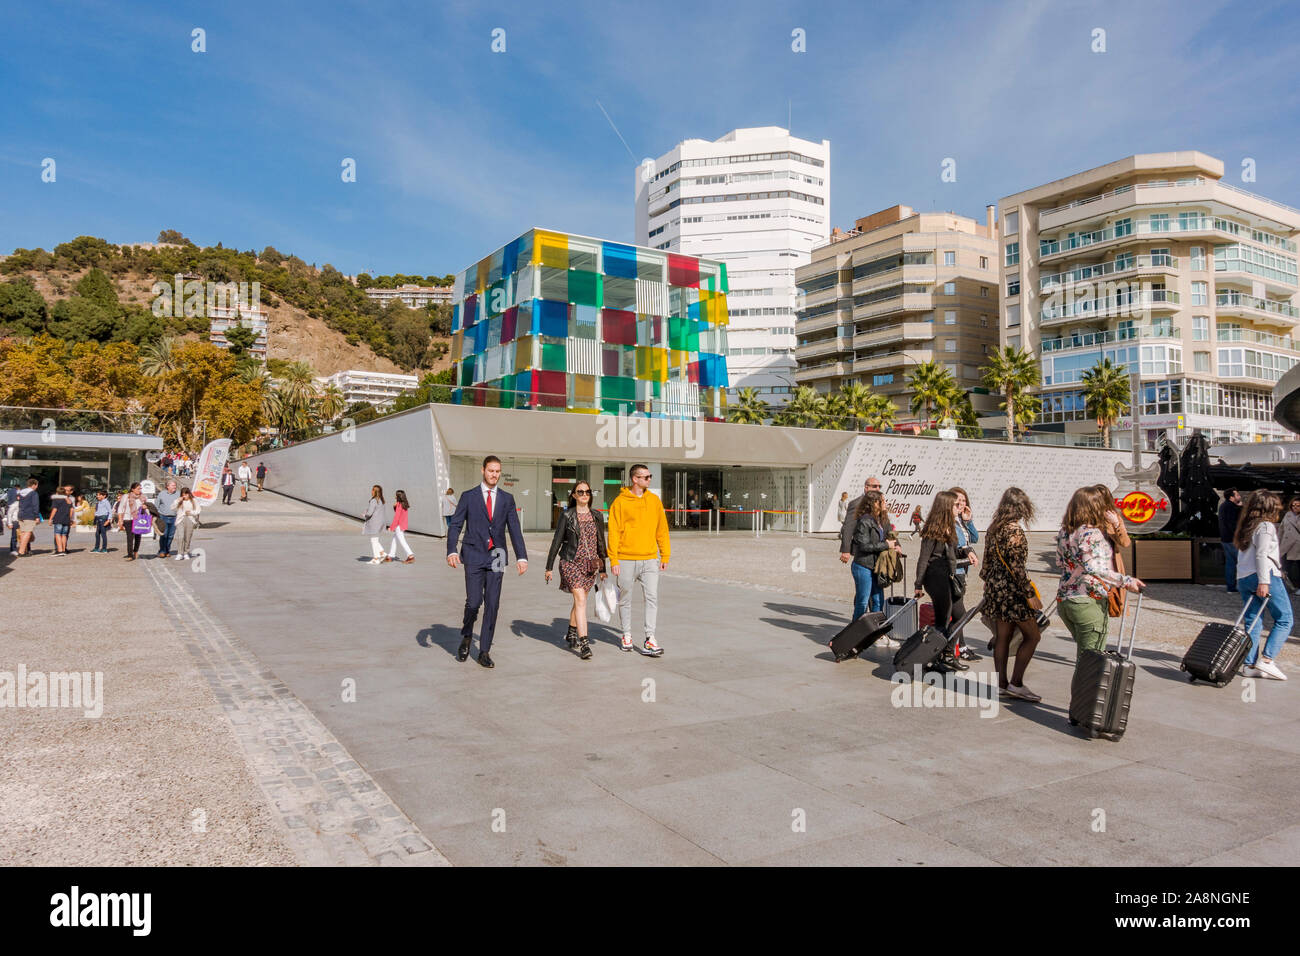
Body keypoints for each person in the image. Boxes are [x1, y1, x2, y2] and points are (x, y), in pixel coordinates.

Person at [446, 455, 528, 669]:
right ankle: (466, 635)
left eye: (498, 471)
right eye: (491, 470)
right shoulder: (468, 496)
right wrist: (451, 550)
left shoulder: (507, 499)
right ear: (483, 471)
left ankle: (484, 650)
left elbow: (515, 529)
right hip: (473, 554)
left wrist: (521, 556)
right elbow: (455, 525)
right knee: (474, 602)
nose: (494, 474)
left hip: (497, 557)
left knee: (492, 604)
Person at [1055, 487, 1143, 657]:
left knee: (1086, 659)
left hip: (1065, 600)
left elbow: (1059, 562)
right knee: (1091, 663)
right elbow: (1094, 568)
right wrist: (1127, 581)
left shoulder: (1064, 531)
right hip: (1088, 600)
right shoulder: (1092, 533)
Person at [979, 487, 1043, 701]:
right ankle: (1016, 683)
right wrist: (1029, 592)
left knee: (1003, 637)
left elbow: (986, 565)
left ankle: (1001, 684)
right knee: (1033, 636)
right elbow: (1016, 567)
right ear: (1021, 507)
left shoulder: (993, 528)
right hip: (1013, 593)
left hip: (995, 590)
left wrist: (990, 586)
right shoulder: (1014, 531)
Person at [608, 463, 670, 657]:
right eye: (646, 477)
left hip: (650, 559)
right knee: (625, 599)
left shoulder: (654, 501)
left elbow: (662, 529)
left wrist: (664, 554)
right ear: (635, 479)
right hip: (625, 559)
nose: (649, 480)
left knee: (652, 598)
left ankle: (650, 638)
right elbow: (613, 533)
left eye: (650, 476)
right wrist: (614, 560)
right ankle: (626, 634)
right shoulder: (619, 502)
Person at [913, 490, 976, 671]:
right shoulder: (934, 529)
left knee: (959, 616)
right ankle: (937, 658)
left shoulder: (950, 527)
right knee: (943, 619)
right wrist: (918, 584)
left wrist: (967, 552)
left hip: (947, 575)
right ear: (946, 507)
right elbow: (923, 558)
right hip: (935, 577)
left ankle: (947, 654)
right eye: (956, 505)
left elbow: (953, 554)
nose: (959, 507)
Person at [545, 479, 608, 661]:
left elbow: (600, 542)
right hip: (570, 562)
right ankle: (584, 644)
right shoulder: (567, 515)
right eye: (580, 492)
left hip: (590, 565)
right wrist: (549, 567)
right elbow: (556, 541)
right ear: (574, 495)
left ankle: (572, 631)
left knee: (579, 601)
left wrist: (603, 567)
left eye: (587, 492)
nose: (584, 495)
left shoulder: (597, 515)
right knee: (580, 599)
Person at [1234, 490, 1292, 681]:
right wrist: (1264, 581)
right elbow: (1262, 554)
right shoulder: (1266, 526)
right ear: (1269, 507)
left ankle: (1249, 664)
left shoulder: (1246, 525)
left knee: (1253, 620)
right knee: (1285, 619)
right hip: (1264, 575)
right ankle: (1266, 661)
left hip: (1244, 576)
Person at [839, 489, 902, 631]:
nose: (886, 503)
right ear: (875, 503)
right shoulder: (864, 521)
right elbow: (864, 546)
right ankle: (854, 634)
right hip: (863, 566)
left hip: (877, 567)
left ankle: (875, 632)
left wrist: (896, 545)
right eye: (883, 501)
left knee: (879, 600)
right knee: (862, 601)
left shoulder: (882, 519)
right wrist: (886, 545)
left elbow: (888, 535)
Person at [949, 486, 982, 661]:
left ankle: (956, 648)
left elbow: (975, 538)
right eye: (958, 501)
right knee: (959, 613)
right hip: (954, 572)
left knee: (956, 613)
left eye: (964, 500)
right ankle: (958, 648)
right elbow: (957, 547)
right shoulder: (949, 522)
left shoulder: (960, 521)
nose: (962, 504)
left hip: (962, 571)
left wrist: (968, 521)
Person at [1219, 488, 1243, 593]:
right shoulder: (1231, 507)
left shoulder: (1224, 506)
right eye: (1237, 495)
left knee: (1231, 563)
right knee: (1241, 562)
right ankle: (1238, 586)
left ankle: (1231, 586)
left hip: (1226, 538)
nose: (1239, 496)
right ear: (1231, 497)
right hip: (1232, 539)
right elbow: (1232, 524)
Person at [116, 482, 148, 561]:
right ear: (133, 489)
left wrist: (145, 507)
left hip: (138, 519)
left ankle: (135, 551)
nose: (139, 490)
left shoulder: (143, 497)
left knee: (138, 537)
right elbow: (120, 508)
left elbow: (146, 508)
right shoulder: (126, 496)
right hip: (128, 518)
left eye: (140, 488)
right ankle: (130, 554)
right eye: (138, 488)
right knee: (130, 537)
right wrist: (120, 520)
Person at [1278, 496, 1300, 592]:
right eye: (1293, 505)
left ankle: (1298, 588)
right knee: (1284, 568)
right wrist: (1278, 542)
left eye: (1298, 505)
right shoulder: (1288, 515)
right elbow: (1281, 529)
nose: (1295, 507)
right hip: (1286, 546)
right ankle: (1286, 587)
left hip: (1298, 546)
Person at [386, 489, 415, 564]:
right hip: (402, 525)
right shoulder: (404, 504)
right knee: (394, 540)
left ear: (398, 496)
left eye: (396, 495)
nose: (394, 496)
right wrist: (394, 507)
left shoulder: (399, 504)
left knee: (402, 541)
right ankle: (390, 555)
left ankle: (410, 555)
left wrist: (391, 527)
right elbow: (400, 515)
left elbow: (397, 517)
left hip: (399, 526)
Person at [15, 478, 41, 556]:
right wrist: (37, 516)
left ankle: (23, 550)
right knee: (28, 532)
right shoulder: (33, 493)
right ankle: (21, 551)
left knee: (23, 532)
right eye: (36, 485)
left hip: (21, 514)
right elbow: (35, 505)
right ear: (34, 485)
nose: (37, 487)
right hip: (29, 515)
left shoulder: (21, 493)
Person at [362, 485, 388, 564]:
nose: (371, 491)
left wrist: (365, 515)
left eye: (372, 490)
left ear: (375, 491)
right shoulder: (381, 500)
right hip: (380, 523)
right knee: (375, 540)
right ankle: (382, 553)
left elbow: (370, 513)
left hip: (374, 523)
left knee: (374, 541)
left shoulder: (373, 501)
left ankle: (376, 558)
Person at [174, 487, 202, 560]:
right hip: (180, 520)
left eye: (186, 494)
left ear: (189, 494)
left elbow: (198, 510)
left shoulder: (194, 501)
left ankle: (186, 552)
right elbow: (172, 508)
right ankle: (179, 553)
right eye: (183, 495)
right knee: (181, 536)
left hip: (190, 519)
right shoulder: (180, 501)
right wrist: (177, 501)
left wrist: (191, 512)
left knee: (188, 537)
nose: (185, 496)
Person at [156, 478, 180, 558]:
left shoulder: (178, 494)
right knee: (164, 535)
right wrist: (157, 516)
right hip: (163, 517)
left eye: (175, 485)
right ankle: (162, 551)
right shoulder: (162, 494)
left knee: (171, 536)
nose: (175, 487)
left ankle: (167, 550)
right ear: (167, 486)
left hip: (174, 518)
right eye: (173, 485)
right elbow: (157, 505)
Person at [48, 485, 75, 556]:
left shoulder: (56, 500)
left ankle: (59, 550)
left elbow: (54, 509)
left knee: (57, 534)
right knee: (64, 535)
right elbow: (72, 510)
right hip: (66, 520)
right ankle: (63, 549)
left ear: (57, 492)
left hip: (58, 519)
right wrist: (69, 518)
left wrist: (50, 519)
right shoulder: (69, 500)